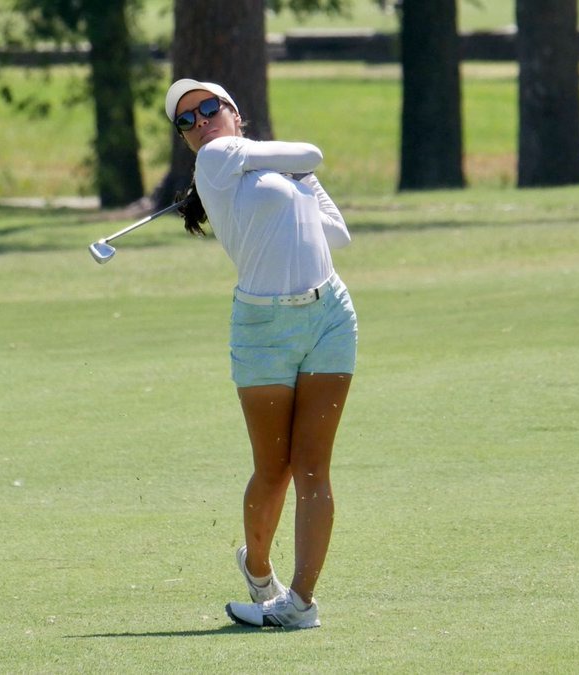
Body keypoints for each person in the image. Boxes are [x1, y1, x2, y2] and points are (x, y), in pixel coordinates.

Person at [164, 79, 357, 629]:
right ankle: (257, 569)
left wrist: (276, 177)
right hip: (262, 327)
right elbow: (313, 153)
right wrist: (285, 171)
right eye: (186, 120)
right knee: (275, 469)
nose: (200, 121)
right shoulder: (219, 156)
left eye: (208, 108)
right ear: (186, 138)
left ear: (235, 112)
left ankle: (299, 604)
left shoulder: (254, 163)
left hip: (329, 315)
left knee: (314, 468)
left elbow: (336, 235)